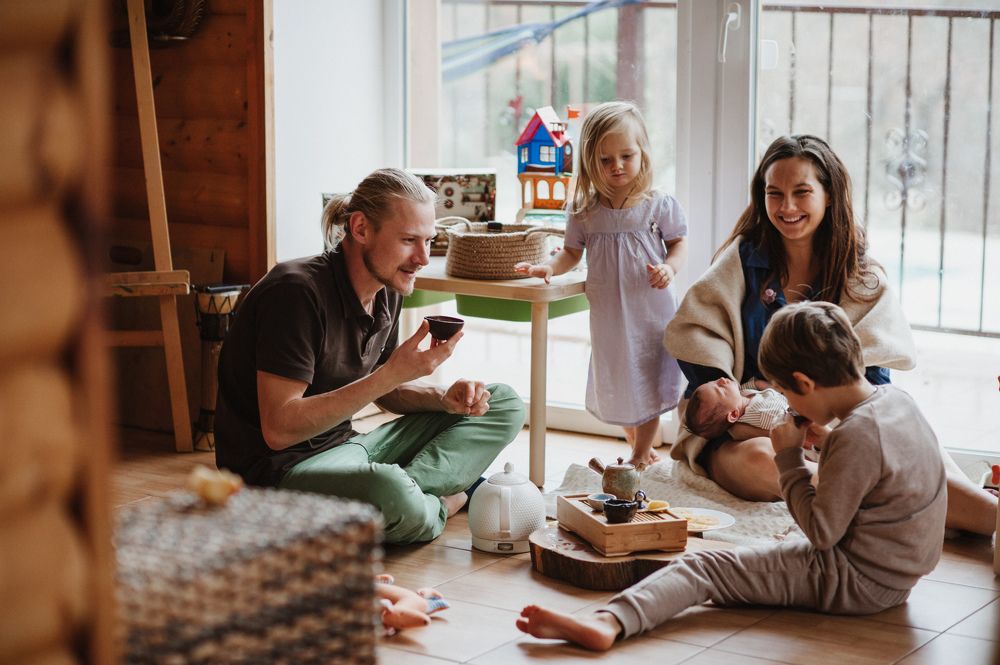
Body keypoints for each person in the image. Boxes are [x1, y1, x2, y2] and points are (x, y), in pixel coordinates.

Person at [515, 301, 947, 651]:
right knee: (759, 553)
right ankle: (612, 618)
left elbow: (821, 533)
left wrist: (790, 457)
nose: (786, 405)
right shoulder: (894, 401)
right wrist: (828, 438)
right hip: (899, 571)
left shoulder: (855, 437)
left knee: (707, 566)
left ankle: (609, 622)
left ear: (803, 382)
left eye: (787, 393)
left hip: (858, 581)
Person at [664, 134, 997, 535]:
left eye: (801, 192)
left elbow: (872, 381)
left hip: (840, 423)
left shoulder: (861, 275)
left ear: (829, 195)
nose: (786, 207)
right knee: (757, 462)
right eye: (774, 193)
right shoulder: (742, 259)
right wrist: (750, 416)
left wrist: (828, 424)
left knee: (909, 443)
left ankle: (985, 516)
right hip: (749, 430)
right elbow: (700, 342)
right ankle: (891, 500)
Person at [214, 168, 526, 545]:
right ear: (360, 228)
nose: (423, 258)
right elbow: (279, 430)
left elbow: (385, 392)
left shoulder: (386, 288)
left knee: (503, 402)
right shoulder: (295, 294)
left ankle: (404, 500)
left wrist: (443, 399)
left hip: (352, 447)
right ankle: (444, 500)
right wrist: (392, 374)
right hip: (278, 474)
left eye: (429, 240)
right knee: (390, 490)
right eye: (409, 240)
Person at [514, 101, 688, 467]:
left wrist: (670, 268)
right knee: (621, 380)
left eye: (626, 155)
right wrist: (548, 267)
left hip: (651, 310)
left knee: (649, 376)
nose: (617, 167)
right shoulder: (584, 211)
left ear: (642, 154)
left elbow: (678, 243)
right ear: (590, 162)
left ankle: (640, 452)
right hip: (609, 316)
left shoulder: (658, 205)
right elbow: (571, 254)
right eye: (605, 160)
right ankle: (640, 443)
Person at [686, 376, 830, 461]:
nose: (722, 380)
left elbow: (756, 385)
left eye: (714, 382)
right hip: (808, 445)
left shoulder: (743, 394)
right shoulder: (759, 414)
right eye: (720, 389)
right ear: (734, 415)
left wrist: (762, 385)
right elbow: (785, 424)